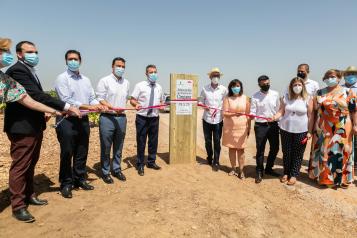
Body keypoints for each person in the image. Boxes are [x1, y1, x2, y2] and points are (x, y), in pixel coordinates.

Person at [4, 41, 80, 223]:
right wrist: (65, 106)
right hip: (22, 127)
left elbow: (35, 97)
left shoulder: (30, 71)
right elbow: (34, 96)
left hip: (34, 125)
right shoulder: (17, 71)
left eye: (36, 51)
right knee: (21, 166)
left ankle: (29, 195)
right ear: (19, 54)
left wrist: (45, 111)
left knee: (31, 163)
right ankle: (18, 206)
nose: (34, 55)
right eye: (30, 52)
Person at [55, 50, 105, 198]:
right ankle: (66, 183)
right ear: (66, 61)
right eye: (70, 59)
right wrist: (88, 106)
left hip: (82, 120)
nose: (73, 61)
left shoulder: (86, 80)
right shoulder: (62, 78)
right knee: (67, 152)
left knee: (82, 151)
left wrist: (98, 105)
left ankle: (80, 179)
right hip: (67, 121)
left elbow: (92, 97)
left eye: (76, 59)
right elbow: (66, 100)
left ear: (80, 61)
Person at [309, 69, 357, 188]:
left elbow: (354, 110)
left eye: (333, 76)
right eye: (328, 76)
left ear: (339, 78)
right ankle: (325, 178)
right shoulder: (319, 92)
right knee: (324, 152)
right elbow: (314, 111)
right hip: (323, 126)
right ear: (325, 78)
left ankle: (342, 179)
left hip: (343, 125)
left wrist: (356, 125)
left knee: (342, 151)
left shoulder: (348, 91)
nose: (331, 78)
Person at [0, 38, 63, 114]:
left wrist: (55, 111)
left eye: (9, 51)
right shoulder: (17, 70)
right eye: (5, 50)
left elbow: (28, 100)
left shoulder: (5, 79)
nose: (9, 54)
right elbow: (35, 95)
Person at [272, 77, 314, 185]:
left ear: (303, 86)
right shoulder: (286, 97)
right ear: (291, 87)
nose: (297, 87)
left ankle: (294, 174)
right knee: (286, 152)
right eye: (295, 85)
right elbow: (281, 111)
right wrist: (274, 117)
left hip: (301, 130)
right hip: (285, 129)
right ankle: (286, 173)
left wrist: (309, 131)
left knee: (298, 153)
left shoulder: (308, 98)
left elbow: (310, 116)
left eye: (299, 85)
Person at [96, 57, 129, 184]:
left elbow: (125, 98)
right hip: (107, 118)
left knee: (119, 146)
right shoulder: (104, 81)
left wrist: (120, 109)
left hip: (121, 118)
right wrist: (112, 107)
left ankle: (116, 169)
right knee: (106, 146)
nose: (120, 68)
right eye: (118, 66)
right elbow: (100, 98)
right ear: (112, 66)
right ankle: (105, 172)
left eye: (123, 66)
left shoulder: (126, 82)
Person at [130, 64, 164, 176]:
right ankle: (140, 164)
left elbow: (161, 102)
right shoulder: (140, 86)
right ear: (146, 74)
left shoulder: (159, 87)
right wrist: (136, 104)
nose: (153, 74)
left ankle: (151, 162)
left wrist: (161, 105)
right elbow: (132, 100)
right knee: (141, 141)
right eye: (151, 72)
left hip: (154, 118)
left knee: (153, 141)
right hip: (142, 118)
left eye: (155, 72)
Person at [250, 75, 280, 184]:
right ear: (259, 84)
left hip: (273, 125)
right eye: (263, 83)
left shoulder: (275, 94)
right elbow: (253, 111)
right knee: (260, 149)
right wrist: (252, 115)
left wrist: (276, 119)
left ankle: (269, 168)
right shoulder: (255, 96)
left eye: (267, 83)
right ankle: (259, 171)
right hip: (260, 126)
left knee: (275, 148)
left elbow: (278, 110)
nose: (265, 85)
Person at [199, 67, 228, 171]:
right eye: (214, 75)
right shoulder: (204, 89)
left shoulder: (224, 89)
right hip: (206, 119)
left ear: (219, 77)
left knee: (216, 141)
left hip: (218, 120)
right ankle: (209, 157)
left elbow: (226, 102)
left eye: (217, 75)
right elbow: (201, 101)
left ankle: (216, 161)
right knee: (207, 141)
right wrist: (204, 106)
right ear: (210, 77)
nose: (215, 77)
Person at [222, 79, 251, 179]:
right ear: (230, 88)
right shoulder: (227, 98)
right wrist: (234, 114)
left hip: (242, 127)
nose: (236, 88)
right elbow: (224, 113)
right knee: (232, 148)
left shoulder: (245, 98)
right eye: (233, 86)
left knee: (241, 150)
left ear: (241, 87)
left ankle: (241, 170)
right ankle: (233, 168)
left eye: (238, 86)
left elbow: (248, 114)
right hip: (230, 128)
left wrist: (249, 128)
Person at [342, 66, 357, 172]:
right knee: (346, 143)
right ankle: (346, 166)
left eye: (353, 73)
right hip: (345, 119)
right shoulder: (340, 88)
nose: (350, 76)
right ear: (344, 76)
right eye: (348, 74)